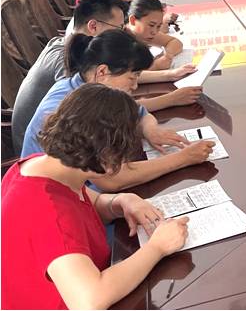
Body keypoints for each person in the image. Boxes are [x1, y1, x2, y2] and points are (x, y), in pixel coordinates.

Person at [2, 83, 190, 309]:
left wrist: (121, 201)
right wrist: (157, 247)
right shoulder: (48, 210)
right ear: (107, 154)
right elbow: (89, 300)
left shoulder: (44, 167)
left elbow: (92, 202)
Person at [20, 30, 214, 192]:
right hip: (61, 198)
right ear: (102, 72)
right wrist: (184, 158)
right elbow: (112, 178)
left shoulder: (86, 89)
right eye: (132, 77)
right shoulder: (74, 109)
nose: (135, 86)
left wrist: (151, 129)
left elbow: (138, 111)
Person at [12, 0, 127, 155]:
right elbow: (90, 107)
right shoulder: (66, 59)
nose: (122, 35)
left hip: (60, 139)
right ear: (93, 26)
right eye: (119, 29)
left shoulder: (72, 46)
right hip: (40, 152)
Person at [124, 0, 201, 110]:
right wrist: (156, 66)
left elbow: (175, 42)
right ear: (133, 20)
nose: (155, 32)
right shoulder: (118, 42)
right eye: (151, 25)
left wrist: (168, 57)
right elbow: (126, 76)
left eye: (159, 26)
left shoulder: (144, 33)